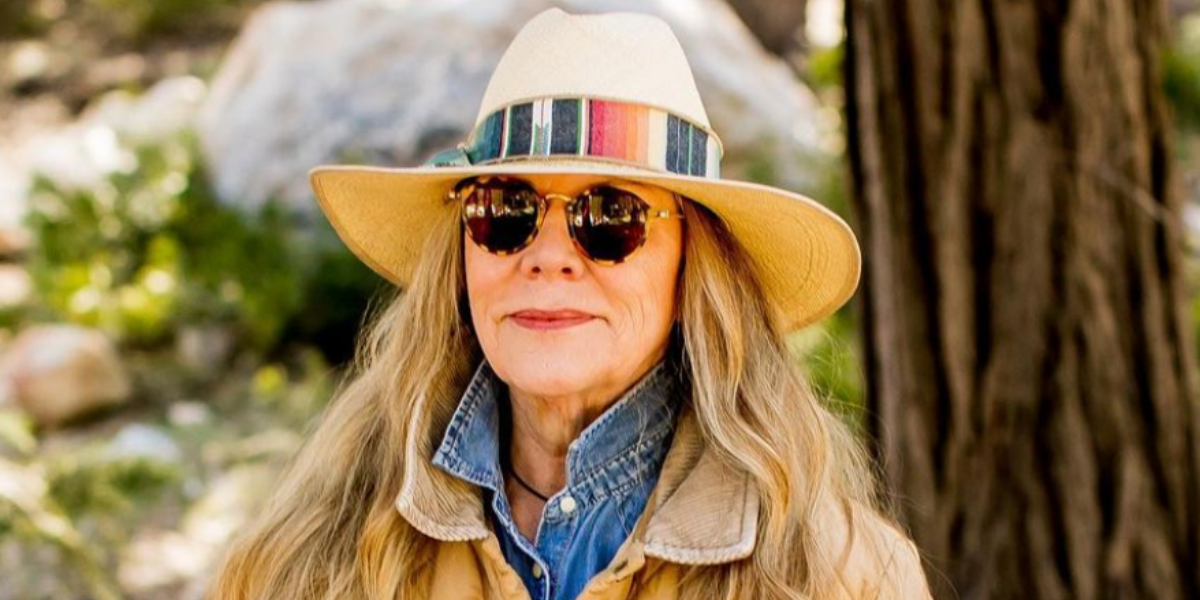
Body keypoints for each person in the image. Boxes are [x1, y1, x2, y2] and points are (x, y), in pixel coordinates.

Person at [206, 7, 934, 600]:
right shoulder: (315, 552)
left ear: (692, 274)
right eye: (504, 212)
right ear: (462, 263)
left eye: (610, 217)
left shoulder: (840, 576)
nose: (547, 256)